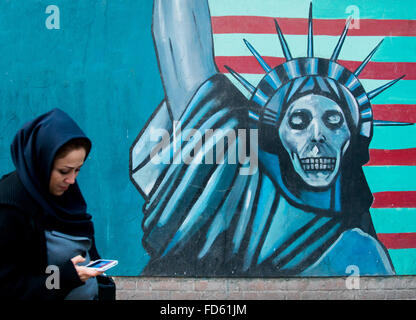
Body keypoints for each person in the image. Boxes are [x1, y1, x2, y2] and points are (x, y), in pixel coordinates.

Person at [130, 0, 400, 276]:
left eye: (333, 120)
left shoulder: (359, 250)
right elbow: (183, 54)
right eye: (299, 121)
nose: (318, 135)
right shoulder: (235, 185)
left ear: (351, 139)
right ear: (277, 137)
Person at [0, 108, 114, 300]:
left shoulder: (66, 194)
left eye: (78, 170)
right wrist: (65, 278)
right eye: (64, 171)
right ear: (41, 161)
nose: (72, 180)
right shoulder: (8, 208)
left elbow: (85, 241)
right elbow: (5, 288)